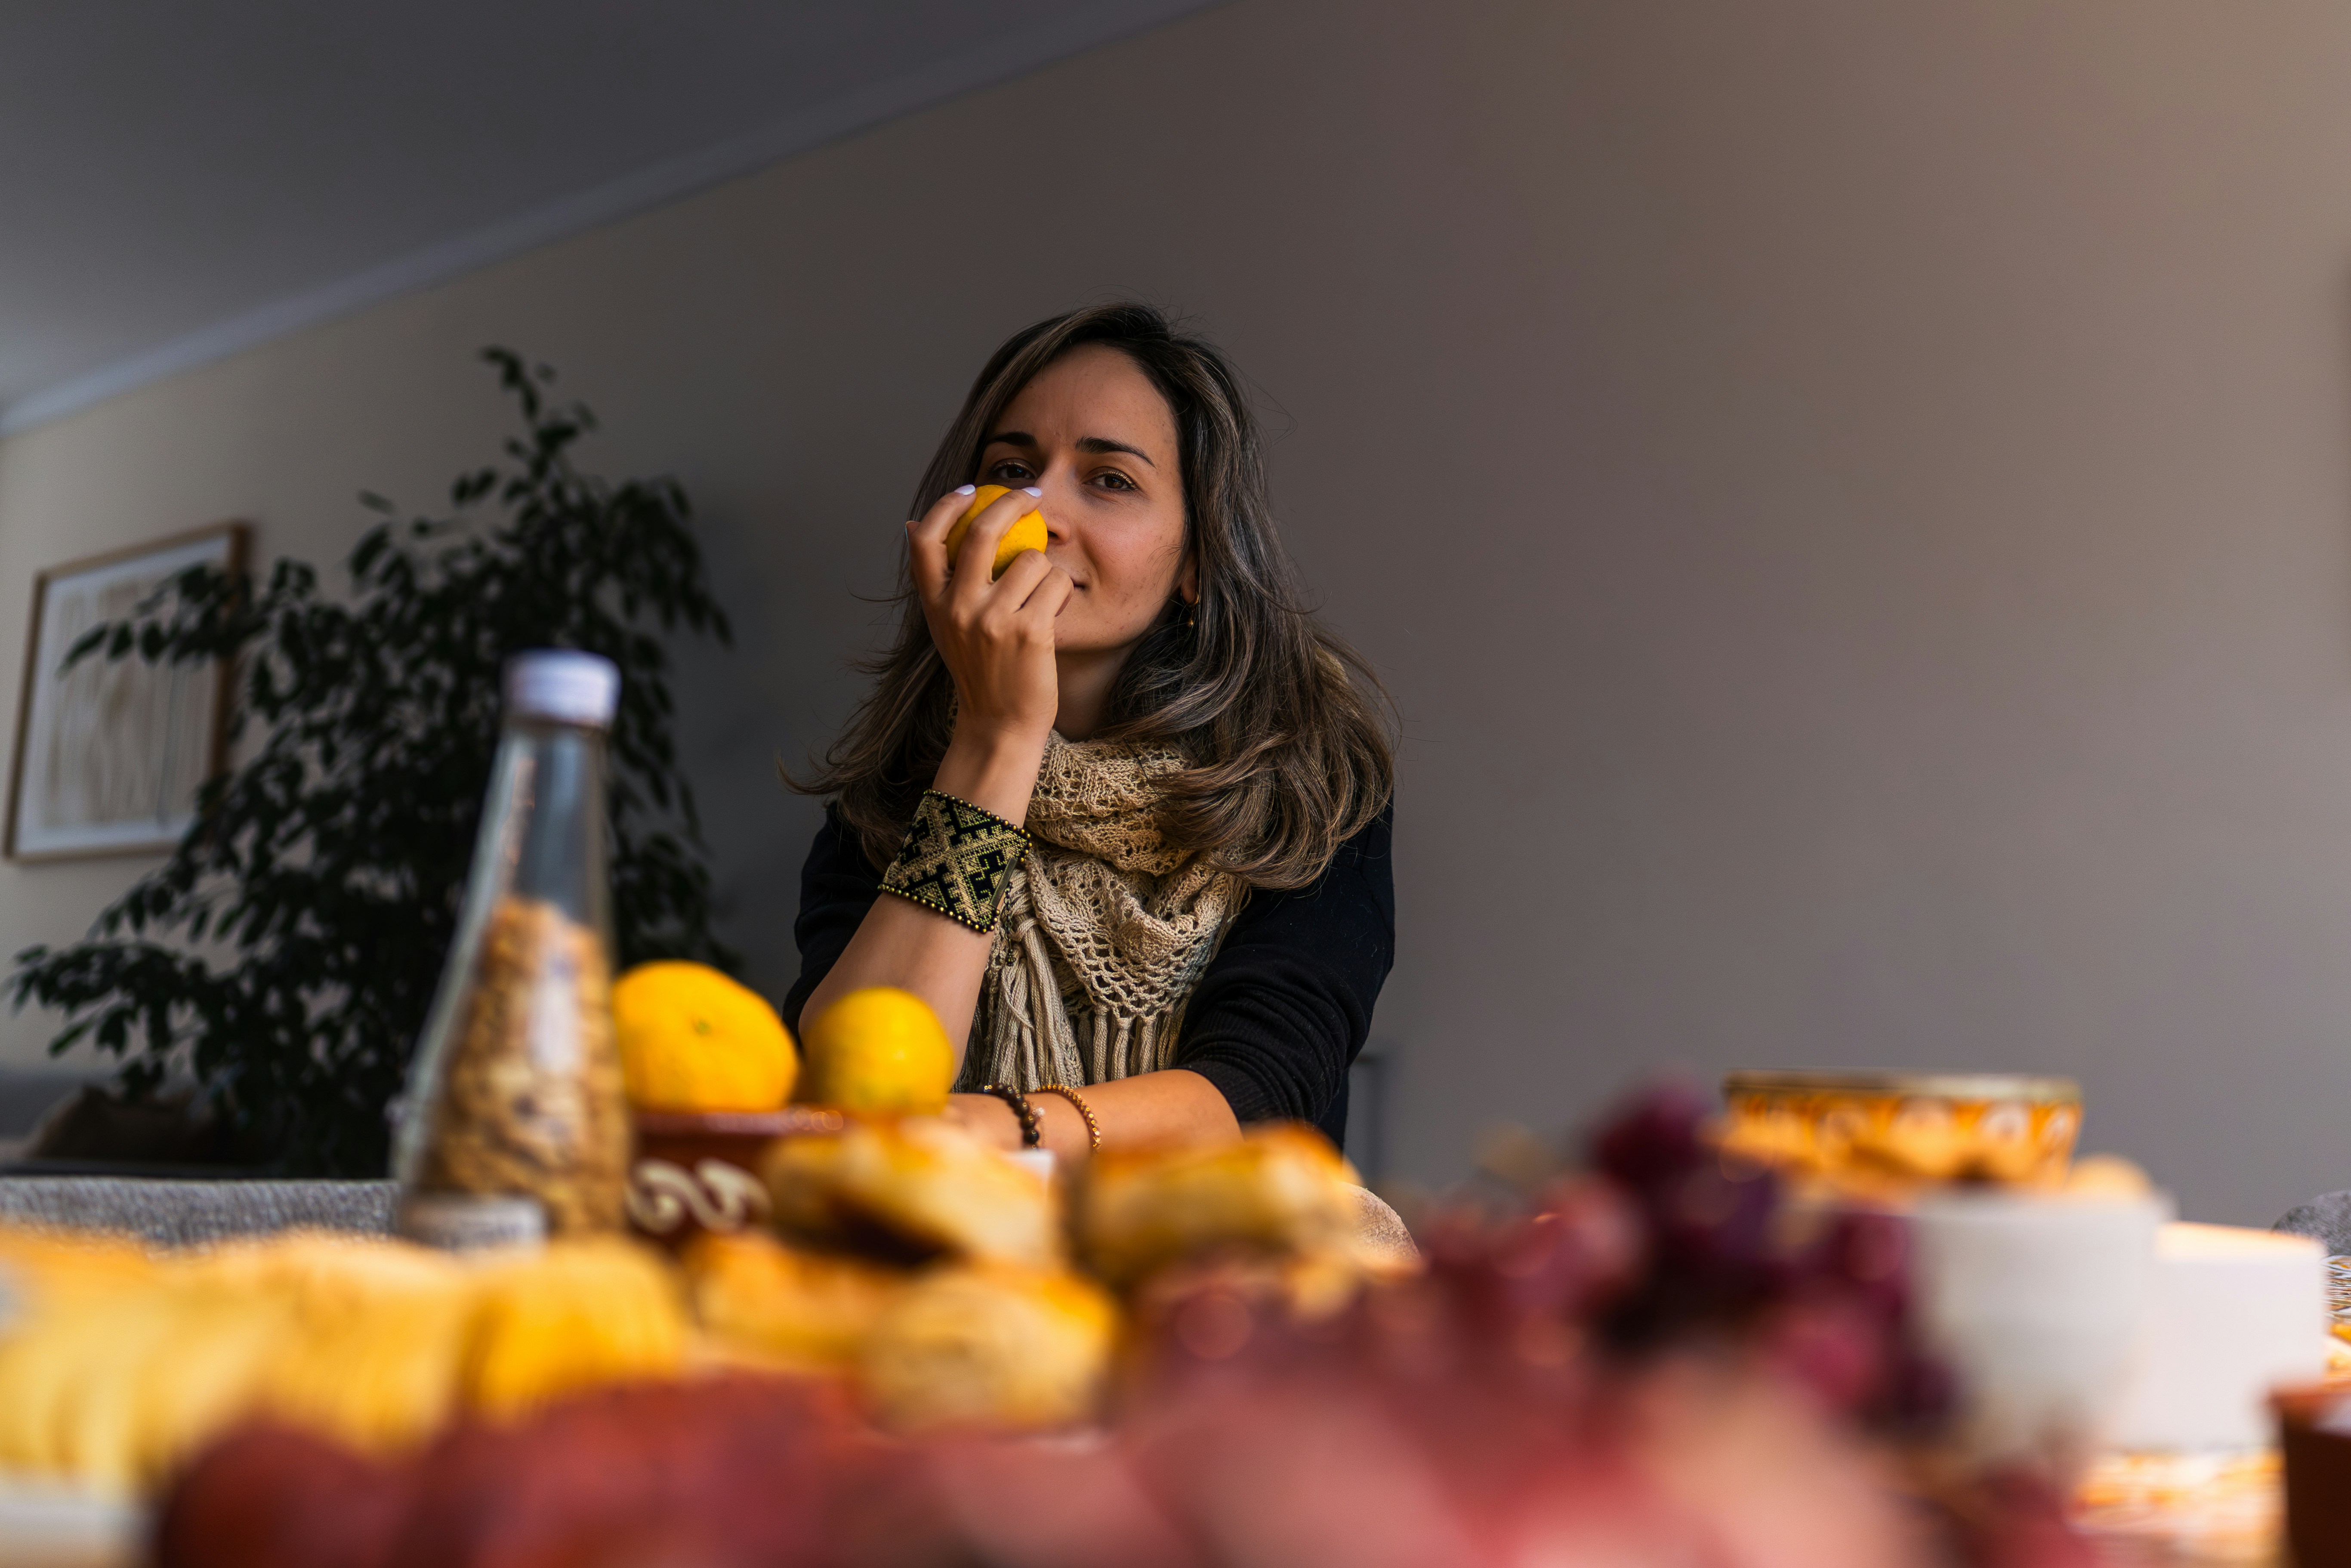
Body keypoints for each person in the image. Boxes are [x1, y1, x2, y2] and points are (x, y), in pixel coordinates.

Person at [785, 302, 1394, 1165]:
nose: (1040, 515)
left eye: (1108, 479)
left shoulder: (1305, 782)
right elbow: (852, 1090)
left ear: (1193, 563)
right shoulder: (890, 799)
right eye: (1010, 468)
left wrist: (1001, 1131)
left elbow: (1261, 1091)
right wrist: (995, 740)